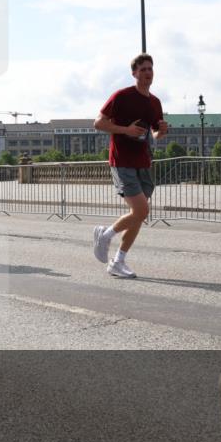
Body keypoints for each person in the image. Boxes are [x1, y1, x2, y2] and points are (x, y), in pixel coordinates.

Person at [91, 54, 168, 278]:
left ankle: (118, 261)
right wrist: (126, 130)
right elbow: (98, 123)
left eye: (150, 69)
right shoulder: (122, 96)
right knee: (142, 210)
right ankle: (105, 236)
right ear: (134, 73)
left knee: (138, 214)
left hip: (143, 162)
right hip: (122, 160)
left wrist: (161, 130)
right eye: (143, 69)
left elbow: (154, 135)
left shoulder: (155, 102)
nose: (147, 72)